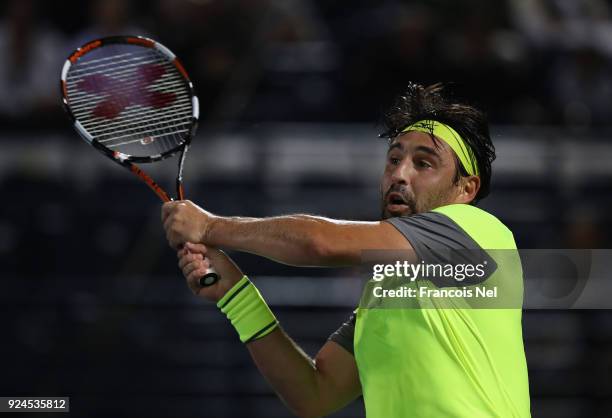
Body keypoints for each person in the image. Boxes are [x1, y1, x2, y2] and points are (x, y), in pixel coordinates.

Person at [162, 82, 531, 417]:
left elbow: (320, 243)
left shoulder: (479, 233)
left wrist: (210, 227)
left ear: (466, 190)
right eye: (393, 159)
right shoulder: (386, 292)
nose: (399, 175)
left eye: (423, 163)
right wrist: (236, 295)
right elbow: (315, 395)